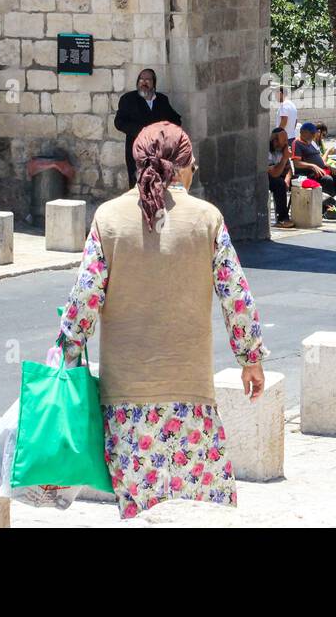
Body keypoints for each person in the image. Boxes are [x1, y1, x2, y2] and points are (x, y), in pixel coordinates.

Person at [55, 122, 267, 520]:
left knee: (142, 514)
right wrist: (250, 358)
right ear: (184, 168)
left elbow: (83, 300)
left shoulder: (109, 219)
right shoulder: (207, 219)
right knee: (199, 512)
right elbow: (235, 295)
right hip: (192, 398)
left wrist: (66, 357)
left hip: (125, 403)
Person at [114, 68, 182, 187]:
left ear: (154, 83)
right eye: (141, 79)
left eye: (148, 80)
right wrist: (140, 131)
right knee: (139, 184)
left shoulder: (162, 100)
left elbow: (176, 119)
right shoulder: (128, 100)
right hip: (137, 150)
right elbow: (119, 122)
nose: (144, 82)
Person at [291, 121, 336, 217]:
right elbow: (297, 163)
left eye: (314, 133)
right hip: (307, 174)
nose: (314, 135)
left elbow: (320, 160)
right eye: (312, 133)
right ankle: (326, 208)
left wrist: (327, 166)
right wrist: (312, 166)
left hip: (320, 171)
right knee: (327, 180)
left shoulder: (311, 143)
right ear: (303, 132)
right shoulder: (297, 143)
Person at [267, 127, 295, 229]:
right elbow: (273, 174)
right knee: (279, 184)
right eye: (284, 140)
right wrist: (284, 158)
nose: (286, 143)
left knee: (300, 180)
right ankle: (282, 218)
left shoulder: (283, 149)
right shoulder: (267, 152)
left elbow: (288, 169)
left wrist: (287, 179)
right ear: (275, 141)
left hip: (280, 174)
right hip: (266, 178)